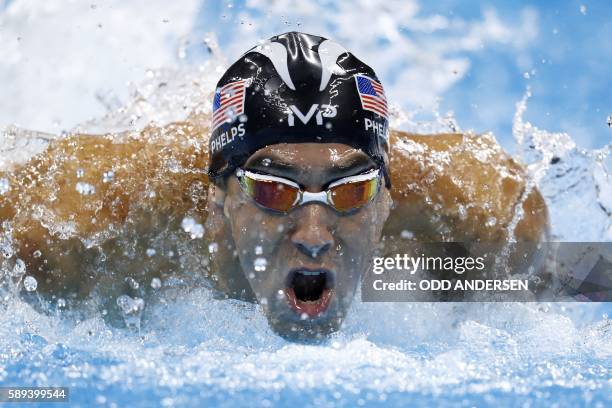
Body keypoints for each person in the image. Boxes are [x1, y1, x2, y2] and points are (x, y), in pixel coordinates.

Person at [0, 32, 548, 339]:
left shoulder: (486, 223)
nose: (313, 234)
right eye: (273, 191)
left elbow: (572, 273)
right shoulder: (83, 227)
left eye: (350, 192)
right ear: (219, 198)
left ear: (386, 200)